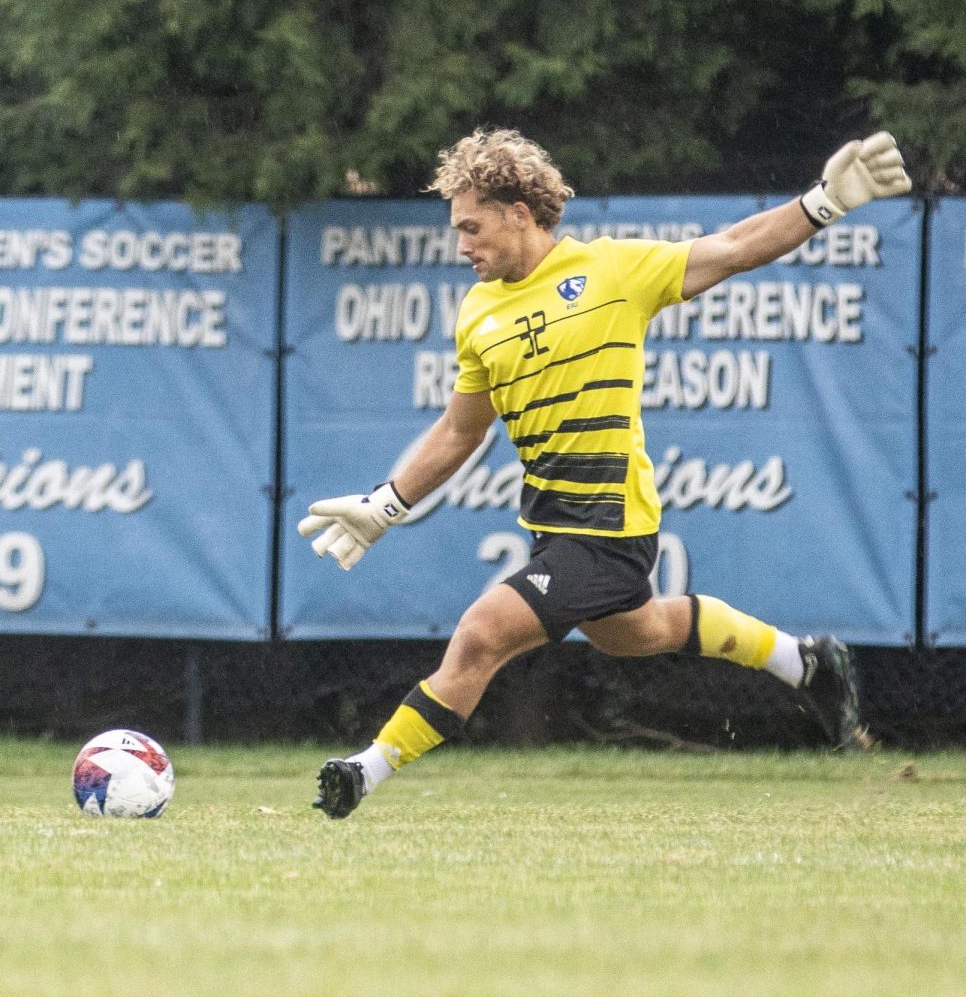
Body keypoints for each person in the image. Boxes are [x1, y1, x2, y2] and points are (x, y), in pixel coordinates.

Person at [299, 127, 911, 818]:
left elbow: (735, 249)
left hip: (610, 527)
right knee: (639, 633)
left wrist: (825, 201)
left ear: (518, 215)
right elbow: (461, 430)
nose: (461, 244)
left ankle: (363, 771)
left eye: (471, 227)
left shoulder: (614, 272)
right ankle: (808, 664)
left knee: (480, 634)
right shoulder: (478, 312)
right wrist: (386, 505)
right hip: (553, 530)